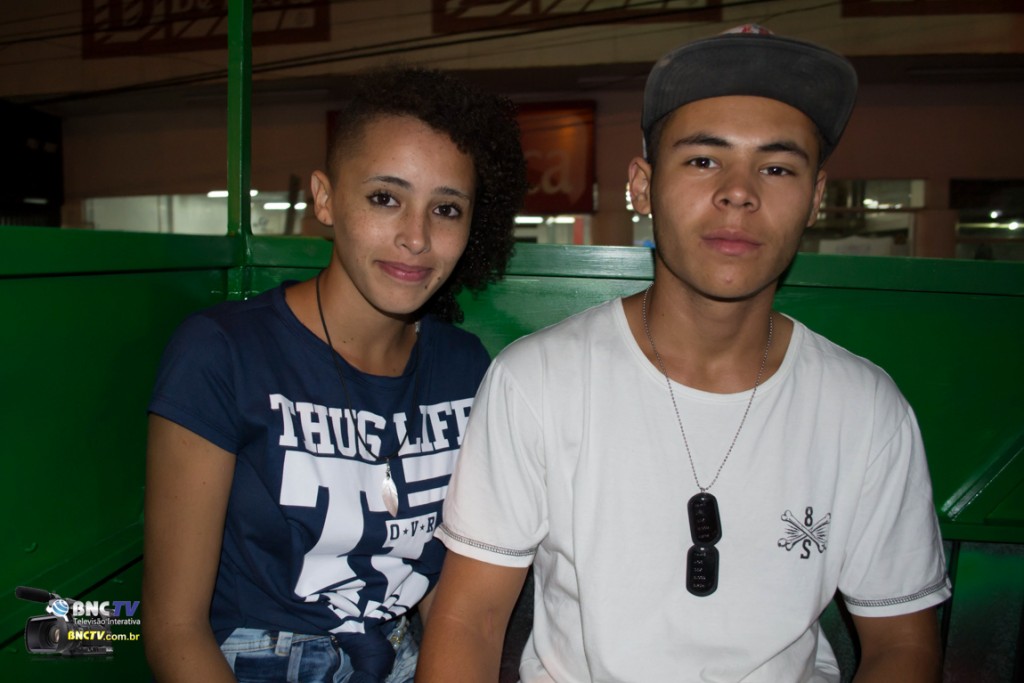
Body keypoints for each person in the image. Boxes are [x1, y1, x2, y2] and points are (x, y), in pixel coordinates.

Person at [417, 25, 951, 683]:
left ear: (816, 198)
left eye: (777, 168)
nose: (739, 192)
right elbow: (469, 620)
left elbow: (902, 643)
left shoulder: (864, 409)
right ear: (642, 186)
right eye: (703, 160)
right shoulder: (538, 381)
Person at [142, 65, 526, 683]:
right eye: (385, 198)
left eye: (446, 209)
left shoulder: (464, 367)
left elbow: (442, 595)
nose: (416, 237)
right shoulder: (223, 352)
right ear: (325, 199)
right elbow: (173, 628)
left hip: (402, 657)